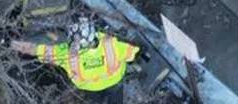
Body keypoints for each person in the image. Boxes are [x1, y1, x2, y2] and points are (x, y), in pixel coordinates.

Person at [12, 20, 141, 99]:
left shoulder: (67, 54)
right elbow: (134, 53)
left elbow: (36, 50)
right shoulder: (112, 45)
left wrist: (13, 44)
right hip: (115, 84)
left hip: (90, 90)